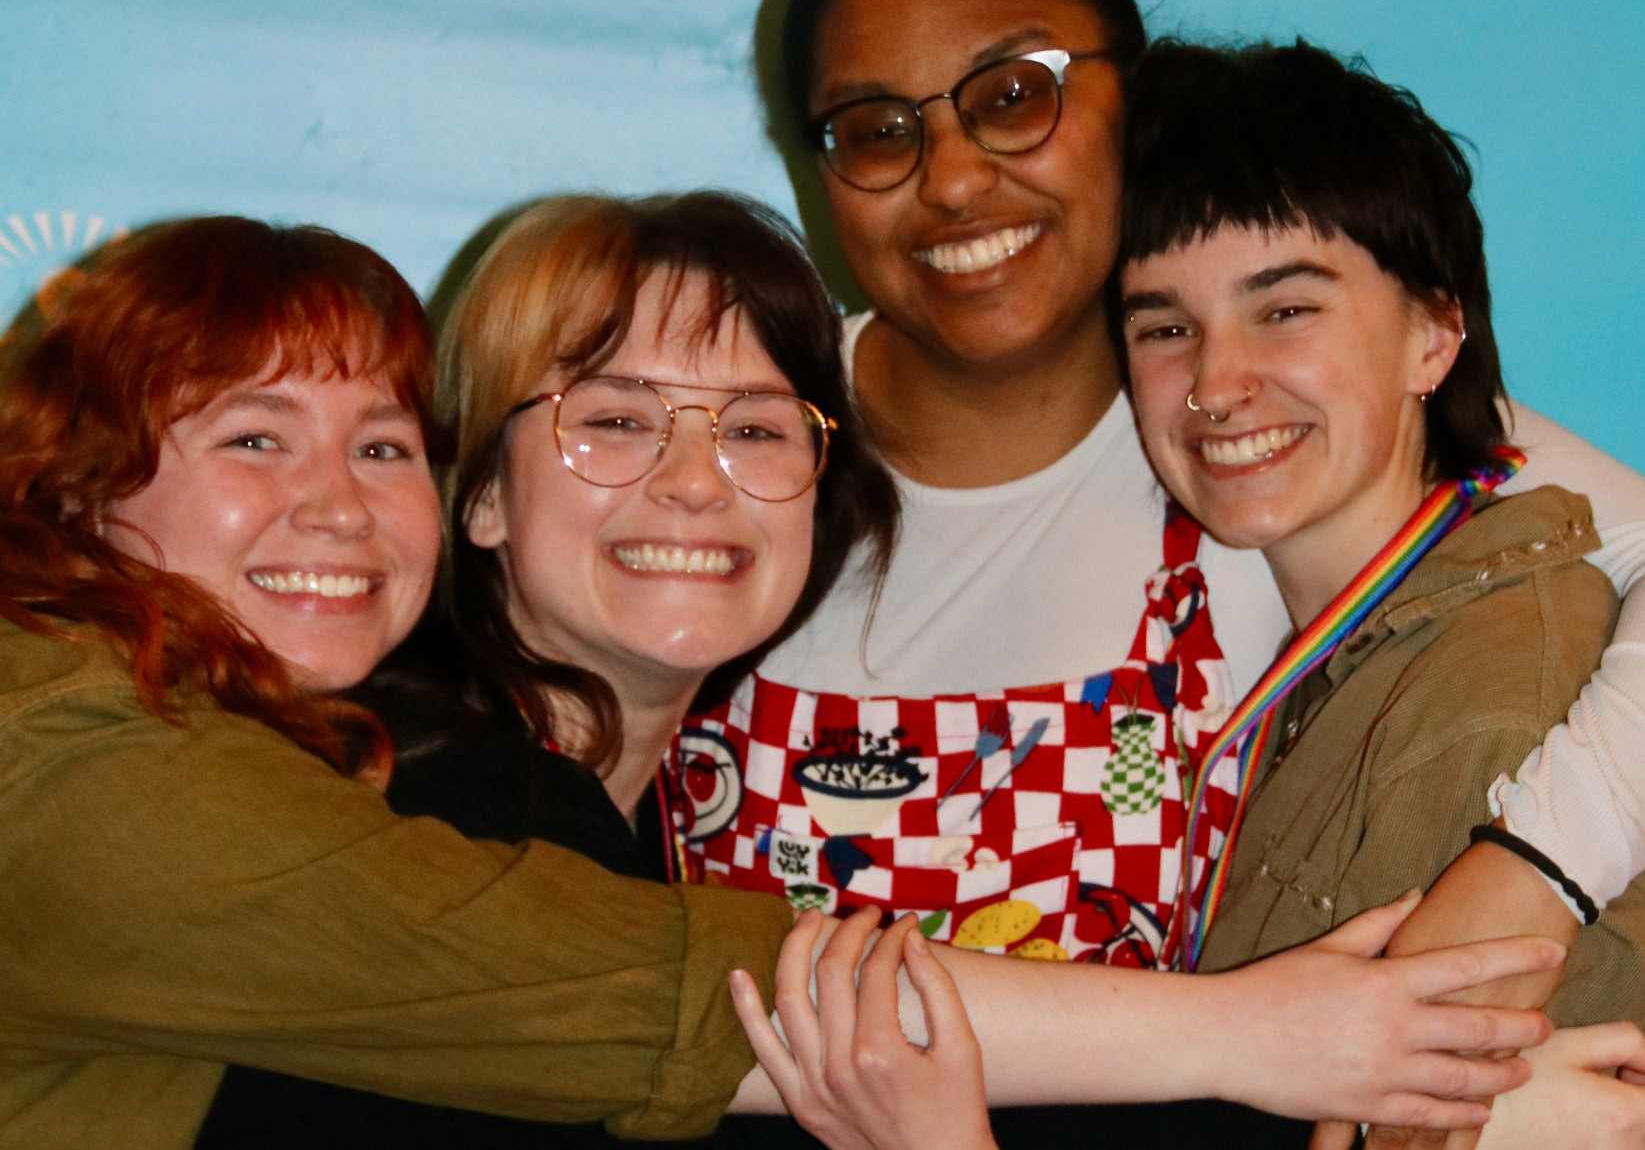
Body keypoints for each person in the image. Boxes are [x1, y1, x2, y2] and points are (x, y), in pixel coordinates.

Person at [187, 194, 1558, 1149]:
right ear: (474, 490)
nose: (690, 484)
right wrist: (1277, 1051)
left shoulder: (631, 820)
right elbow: (694, 1000)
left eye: (754, 427)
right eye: (611, 419)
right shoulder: (436, 796)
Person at [685, 0, 1645, 1145]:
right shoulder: (730, 451)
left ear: (1125, 103)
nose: (955, 178)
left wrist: (1530, 879)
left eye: (1014, 95)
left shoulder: (1257, 438)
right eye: (875, 126)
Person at [0, 216, 803, 1149]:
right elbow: (653, 993)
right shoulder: (94, 754)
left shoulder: (312, 749)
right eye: (256, 439)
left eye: (383, 448)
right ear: (76, 489)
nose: (340, 506)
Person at [1115, 40, 1645, 1142]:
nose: (1215, 383)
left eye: (1284, 309)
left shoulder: (1494, 689)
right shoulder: (1337, 633)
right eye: (1165, 326)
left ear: (1434, 336)